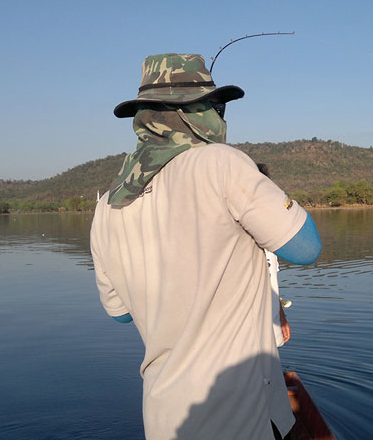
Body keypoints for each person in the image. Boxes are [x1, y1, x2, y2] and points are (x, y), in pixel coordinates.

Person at [90, 53, 322, 440]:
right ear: (188, 114)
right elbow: (305, 248)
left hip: (164, 418)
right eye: (215, 106)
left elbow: (122, 315)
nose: (221, 115)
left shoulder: (107, 206)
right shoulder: (221, 163)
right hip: (237, 417)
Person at [257, 163, 291, 348]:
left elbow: (270, 281)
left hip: (269, 337)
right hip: (247, 342)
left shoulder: (268, 236)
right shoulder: (234, 237)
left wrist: (281, 314)